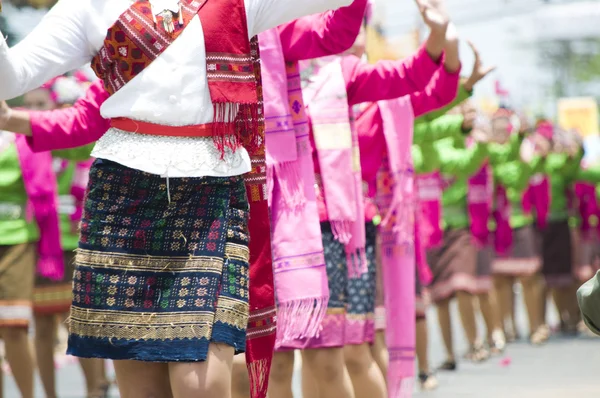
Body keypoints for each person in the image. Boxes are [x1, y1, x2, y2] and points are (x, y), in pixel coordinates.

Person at [0, 0, 357, 396]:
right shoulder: (90, 5)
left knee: (201, 385)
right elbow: (12, 79)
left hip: (211, 193)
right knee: (142, 384)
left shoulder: (239, 3)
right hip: (124, 197)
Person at [282, 1, 459, 397]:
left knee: (338, 353)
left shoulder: (344, 78)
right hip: (269, 220)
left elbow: (415, 80)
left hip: (338, 226)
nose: (355, 41)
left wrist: (442, 42)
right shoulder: (264, 60)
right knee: (273, 360)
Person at [22, 75, 107, 398]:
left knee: (80, 326)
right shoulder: (23, 149)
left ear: (58, 107)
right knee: (42, 327)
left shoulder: (80, 148)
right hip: (41, 247)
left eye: (40, 106)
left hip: (78, 246)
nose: (33, 115)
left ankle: (95, 391)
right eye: (27, 107)